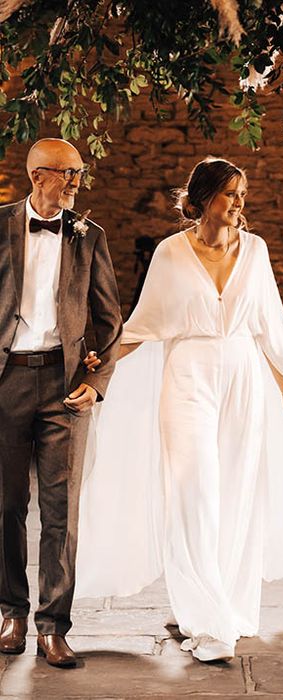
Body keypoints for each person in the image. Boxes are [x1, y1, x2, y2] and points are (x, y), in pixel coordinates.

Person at [75, 158, 283, 663]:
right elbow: (143, 323)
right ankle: (206, 620)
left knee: (235, 494)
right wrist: (101, 359)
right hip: (188, 377)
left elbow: (268, 323)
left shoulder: (255, 250)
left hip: (242, 378)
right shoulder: (171, 253)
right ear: (201, 201)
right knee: (193, 491)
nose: (239, 203)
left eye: (241, 193)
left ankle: (225, 603)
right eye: (229, 194)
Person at [0, 138, 123, 668]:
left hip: (64, 383)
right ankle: (10, 613)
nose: (76, 182)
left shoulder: (89, 236)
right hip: (6, 380)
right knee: (5, 506)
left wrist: (98, 383)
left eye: (79, 173)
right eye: (67, 174)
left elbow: (111, 318)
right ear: (38, 178)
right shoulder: (0, 224)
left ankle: (54, 626)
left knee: (61, 512)